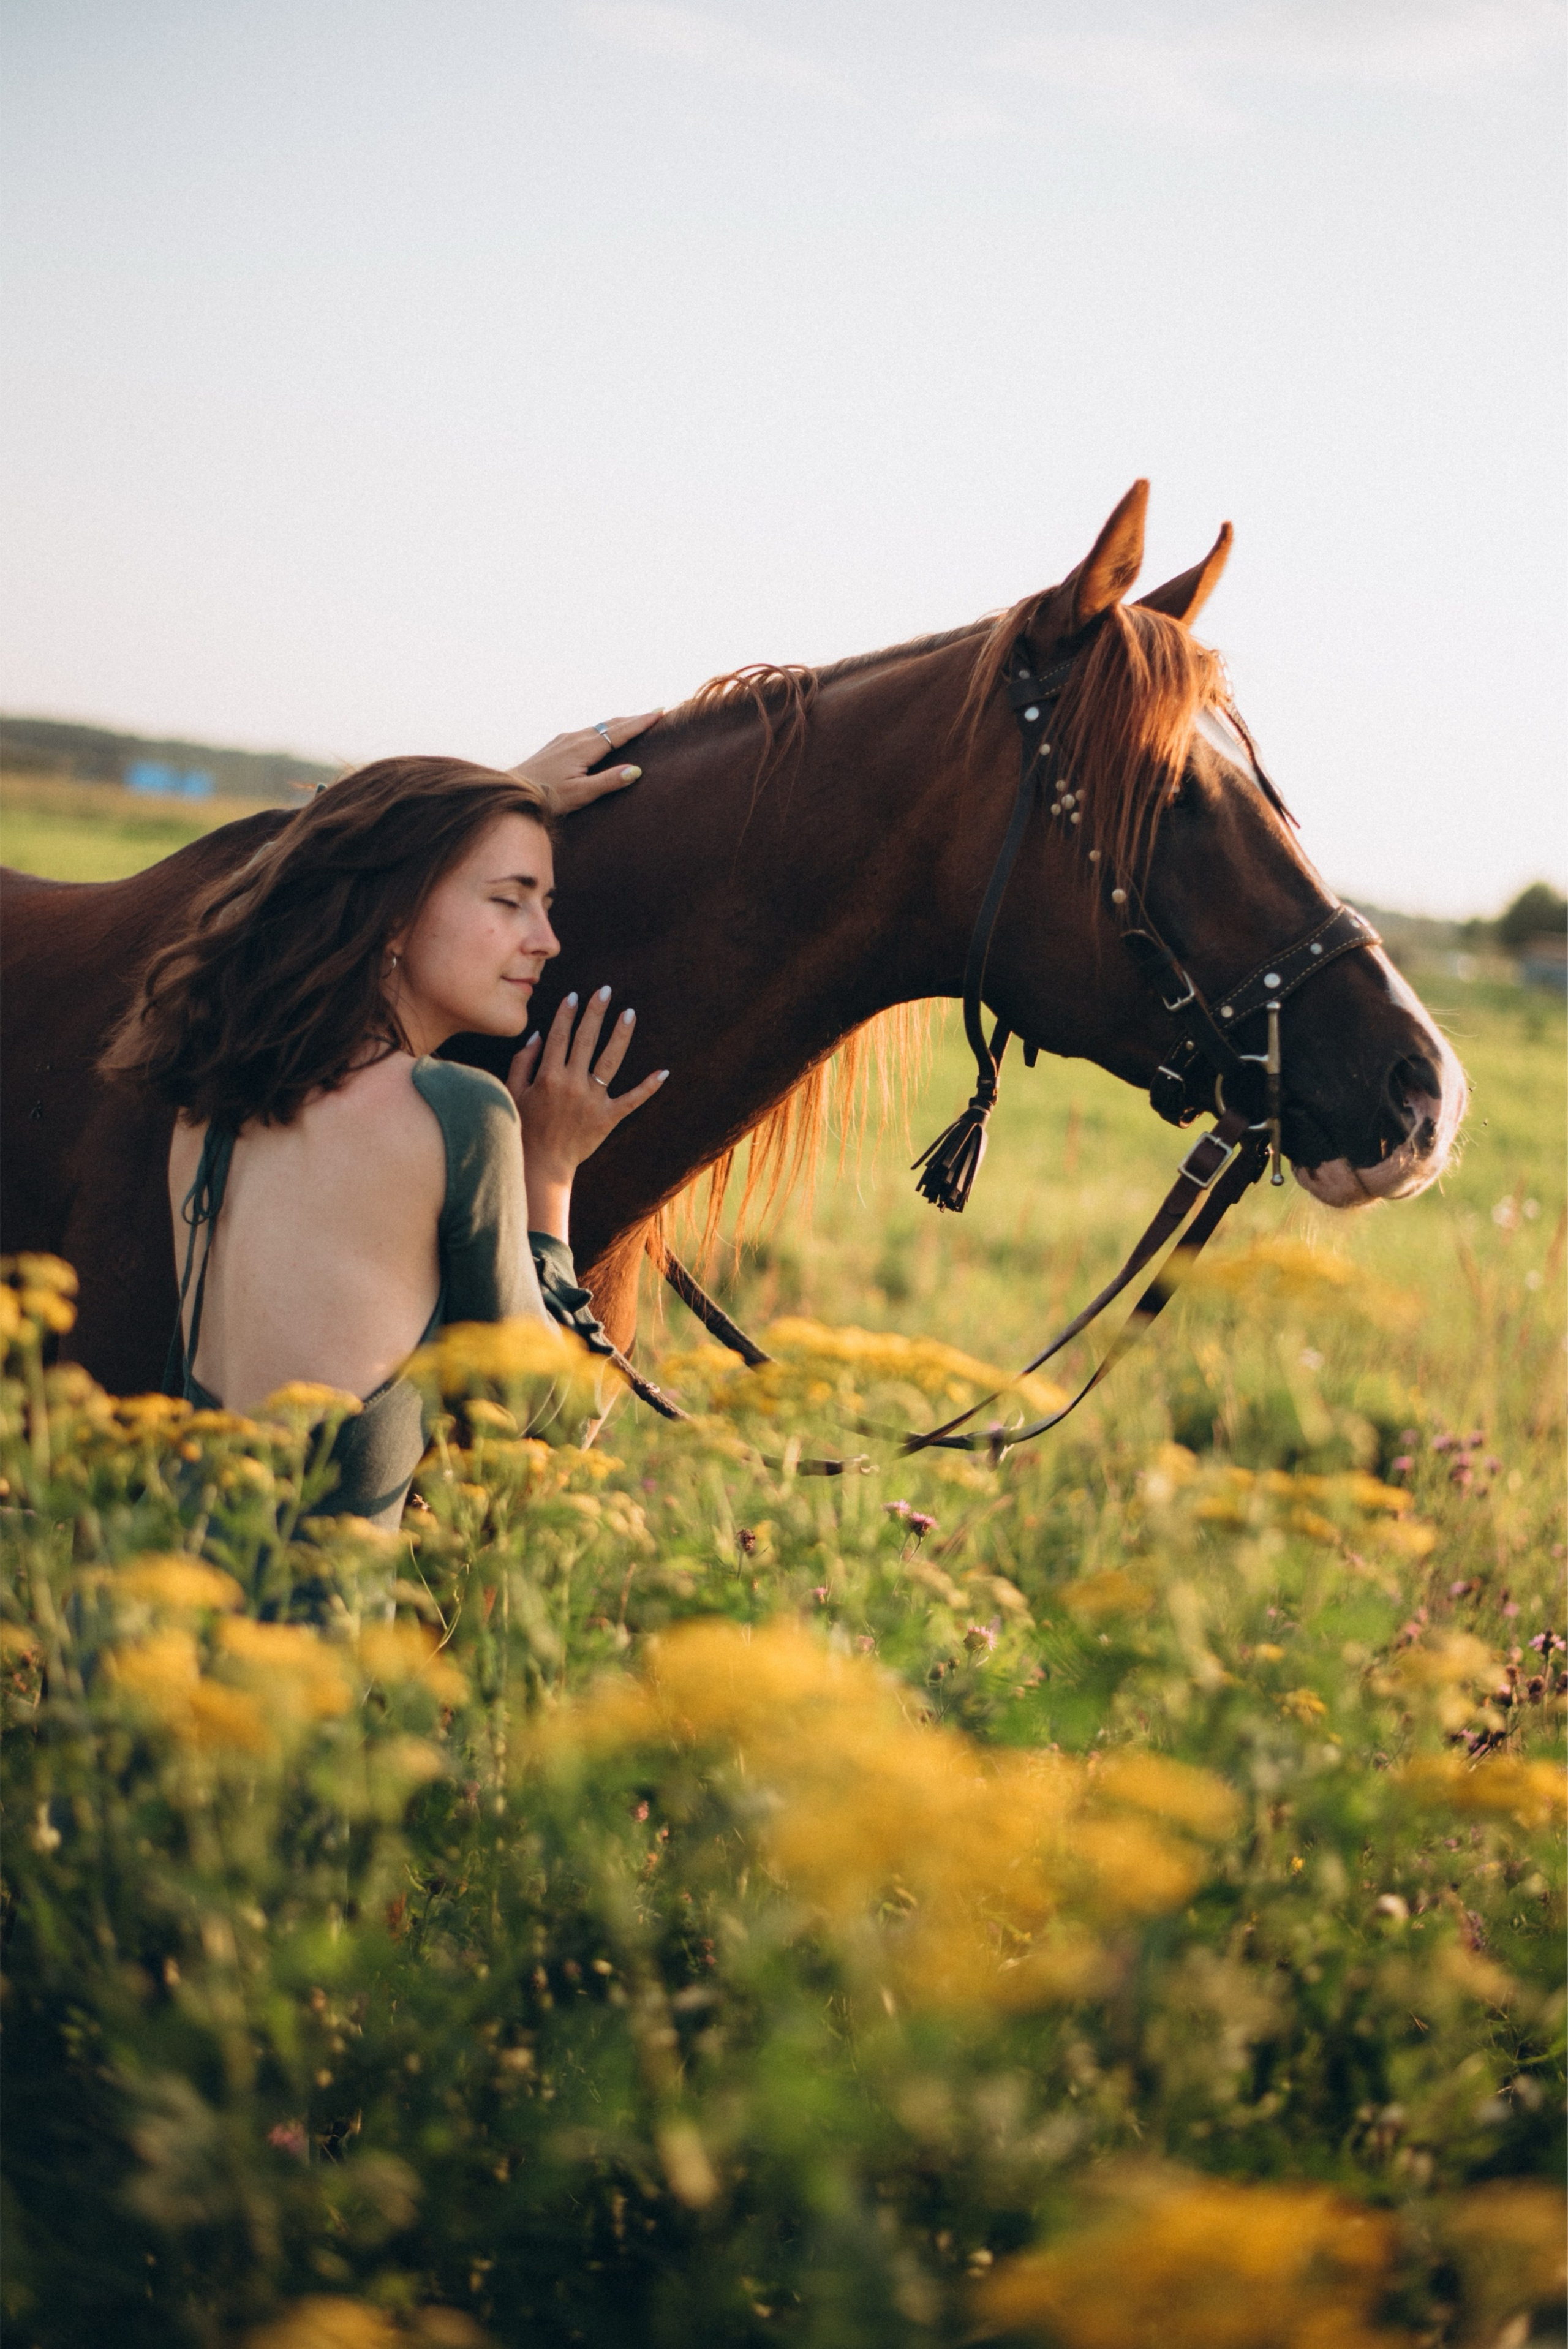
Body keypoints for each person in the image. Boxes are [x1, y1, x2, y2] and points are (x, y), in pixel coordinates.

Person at [103, 713, 665, 1530]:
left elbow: (266, 886)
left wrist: (488, 806)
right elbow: (550, 1408)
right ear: (394, 914)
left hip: (137, 1624)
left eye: (545, 903)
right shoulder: (459, 1112)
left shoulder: (213, 1083)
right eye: (510, 900)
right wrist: (550, 1169)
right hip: (302, 1650)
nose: (546, 940)